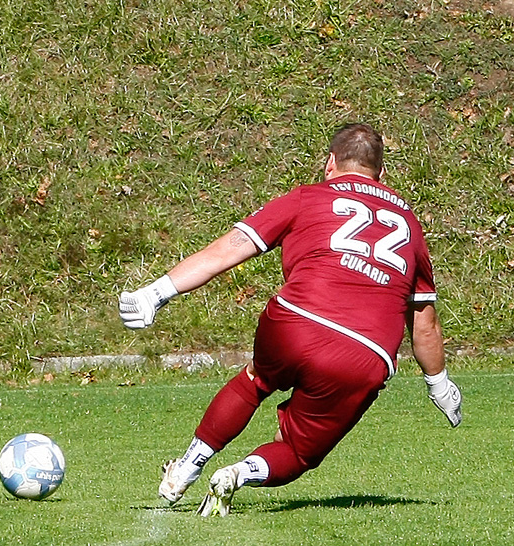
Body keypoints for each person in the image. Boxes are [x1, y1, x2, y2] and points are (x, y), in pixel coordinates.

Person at [119, 123, 461, 517]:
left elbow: (227, 250)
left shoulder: (307, 197)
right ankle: (238, 474)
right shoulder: (409, 223)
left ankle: (189, 464)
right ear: (381, 175)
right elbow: (424, 323)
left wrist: (157, 292)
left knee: (255, 382)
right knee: (298, 451)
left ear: (329, 163)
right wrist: (439, 383)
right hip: (365, 352)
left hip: (296, 321)